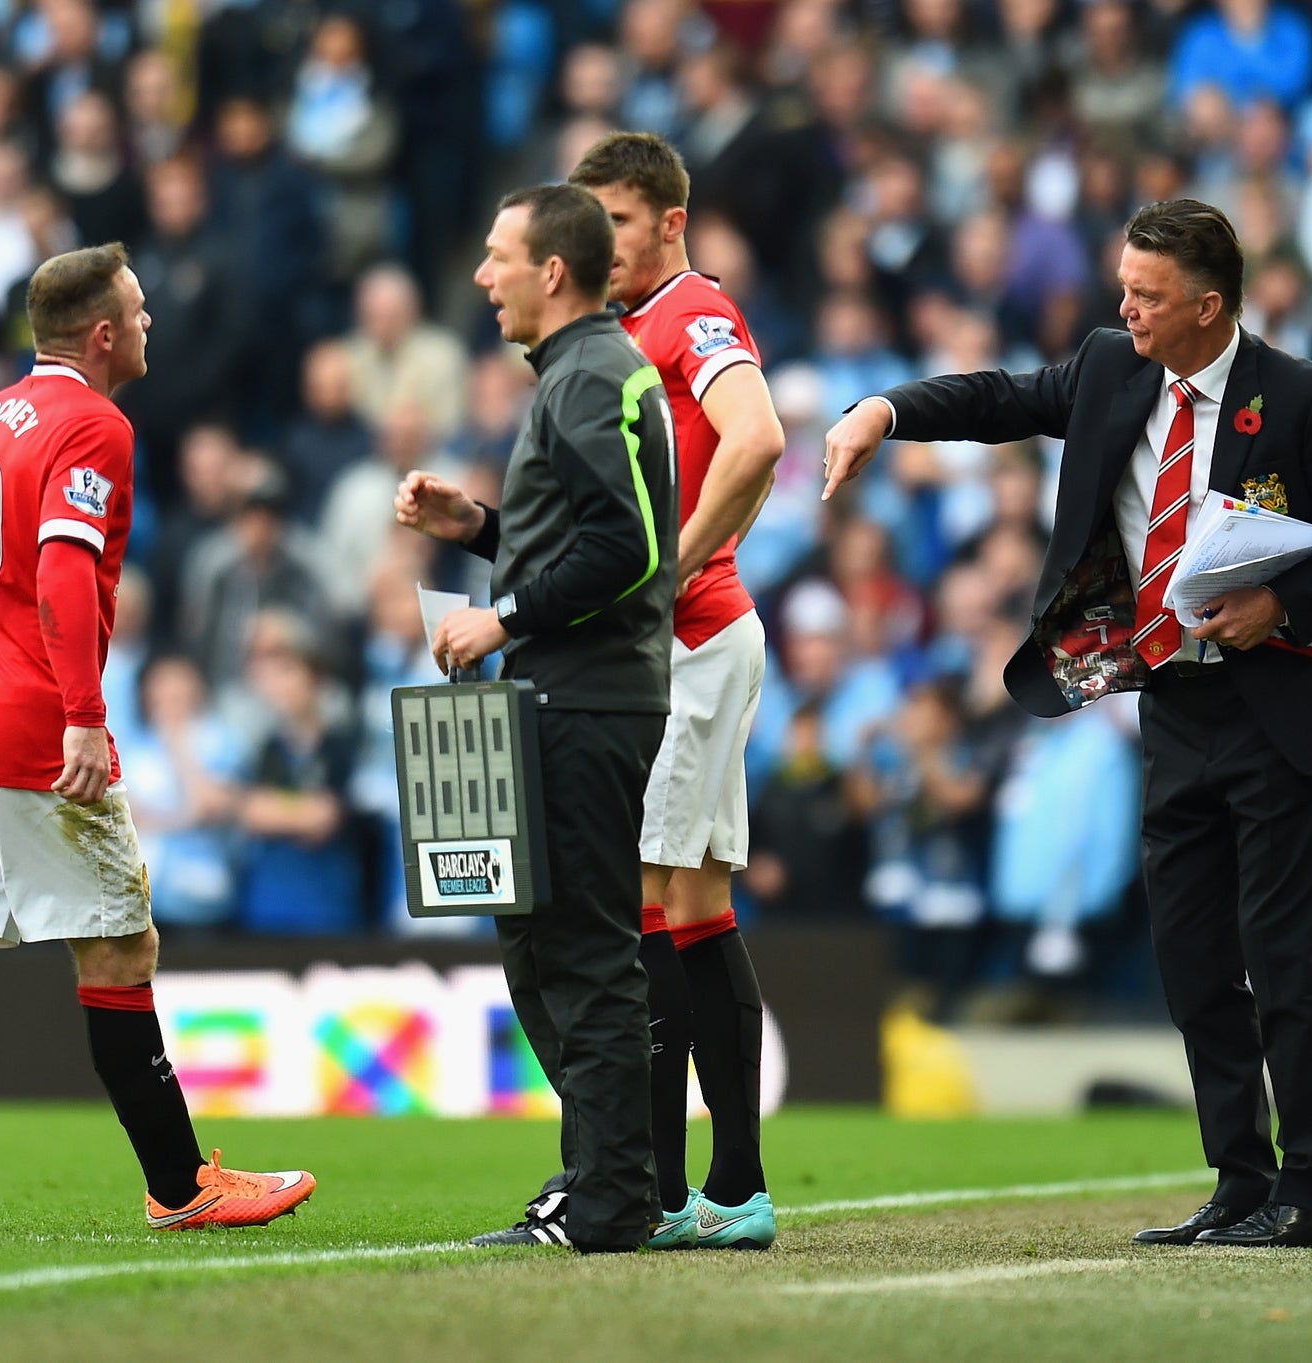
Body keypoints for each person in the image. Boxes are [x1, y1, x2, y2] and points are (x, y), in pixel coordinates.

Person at [823, 199, 1312, 1249]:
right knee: (1189, 959)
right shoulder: (1109, 366)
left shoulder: (1297, 395)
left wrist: (1283, 603)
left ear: (1207, 304)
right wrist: (883, 408)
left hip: (1277, 710)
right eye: (1122, 287)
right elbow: (1000, 396)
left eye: (1145, 294)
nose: (1124, 308)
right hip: (1172, 705)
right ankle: (1239, 1178)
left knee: (1288, 966)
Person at [0, 243, 314, 1233]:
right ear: (100, 334)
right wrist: (83, 712)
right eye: (136, 311)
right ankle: (180, 1186)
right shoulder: (95, 424)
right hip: (27, 724)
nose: (147, 325)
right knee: (123, 948)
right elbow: (64, 572)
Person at [394, 182, 677, 1253]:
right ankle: (599, 1177)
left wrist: (501, 616)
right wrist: (479, 527)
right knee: (538, 945)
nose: (481, 275)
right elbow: (584, 535)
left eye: (495, 255)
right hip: (561, 697)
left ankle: (610, 1199)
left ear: (550, 270)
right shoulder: (576, 373)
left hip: (582, 701)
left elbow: (630, 547)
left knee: (582, 952)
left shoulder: (592, 372)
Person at [540, 130, 785, 1249]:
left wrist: (666, 565)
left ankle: (661, 1187)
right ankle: (722, 1188)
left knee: (644, 900)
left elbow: (759, 437)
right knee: (691, 905)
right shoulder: (625, 328)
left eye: (620, 224)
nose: (603, 245)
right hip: (693, 642)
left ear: (670, 221)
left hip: (687, 642)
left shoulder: (689, 313)